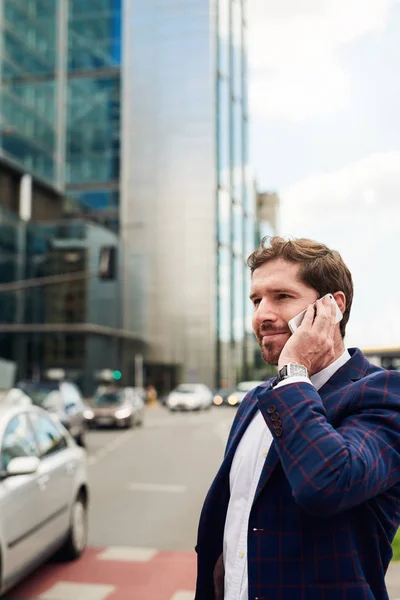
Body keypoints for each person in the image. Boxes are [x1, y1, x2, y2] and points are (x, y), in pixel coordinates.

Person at [194, 236, 400, 600]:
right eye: (256, 300)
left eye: (282, 297)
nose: (262, 314)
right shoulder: (257, 400)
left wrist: (294, 371)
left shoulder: (384, 395)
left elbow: (328, 483)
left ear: (333, 307)